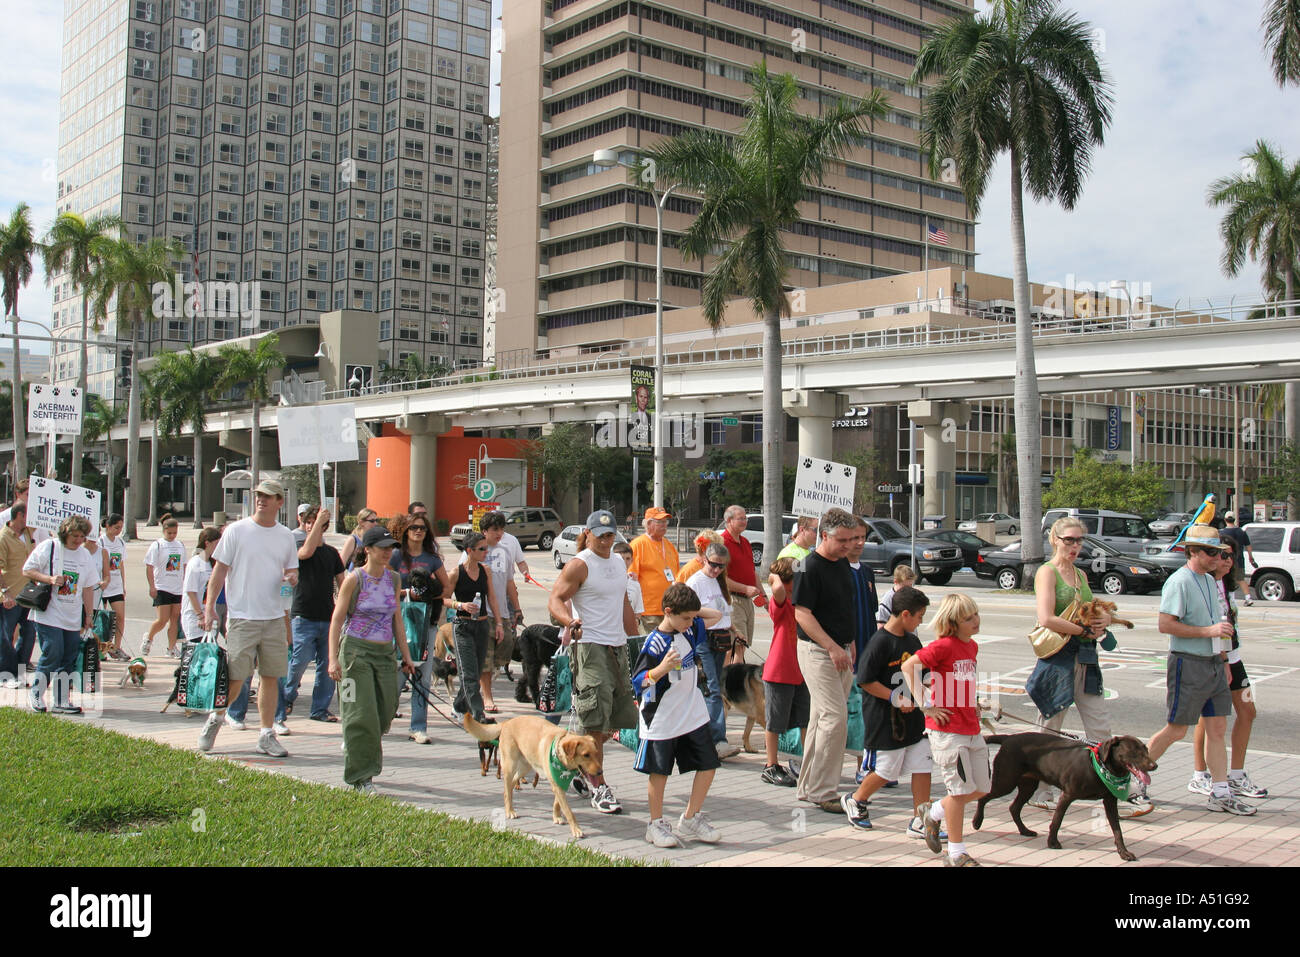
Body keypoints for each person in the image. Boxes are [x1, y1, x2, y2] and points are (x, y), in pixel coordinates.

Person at [1135, 525, 1255, 815]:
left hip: (1214, 664)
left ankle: (1221, 792)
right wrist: (1208, 632)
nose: (1218, 558)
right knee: (1176, 729)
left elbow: (1220, 624)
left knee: (1217, 729)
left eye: (1222, 552)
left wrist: (1224, 661)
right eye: (1212, 552)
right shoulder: (1180, 581)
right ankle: (1132, 782)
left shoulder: (1208, 580)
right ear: (1193, 552)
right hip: (1188, 663)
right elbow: (1166, 625)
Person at [197, 479, 300, 758]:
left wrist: (291, 578)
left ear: (280, 501)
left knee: (271, 677)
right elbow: (218, 573)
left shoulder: (285, 536)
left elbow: (293, 571)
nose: (261, 500)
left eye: (268, 496)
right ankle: (216, 718)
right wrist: (209, 611)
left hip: (274, 617)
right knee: (236, 677)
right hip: (243, 616)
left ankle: (266, 734)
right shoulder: (237, 531)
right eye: (259, 496)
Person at [548, 510, 640, 815]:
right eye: (600, 535)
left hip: (617, 648)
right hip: (589, 648)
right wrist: (569, 621)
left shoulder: (617, 561)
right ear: (587, 534)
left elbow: (624, 603)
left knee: (608, 724)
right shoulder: (580, 564)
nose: (605, 540)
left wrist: (638, 643)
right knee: (594, 720)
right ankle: (599, 786)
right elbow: (555, 599)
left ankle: (580, 770)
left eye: (610, 534)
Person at [1024, 516, 1115, 812]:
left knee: (1099, 725)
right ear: (1055, 539)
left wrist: (1104, 621)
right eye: (1070, 540)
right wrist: (1083, 630)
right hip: (1059, 658)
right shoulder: (1046, 572)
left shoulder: (1080, 575)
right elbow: (1046, 618)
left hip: (1086, 656)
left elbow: (1092, 609)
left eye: (1079, 541)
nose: (1076, 546)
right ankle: (1040, 788)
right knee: (1050, 725)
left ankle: (1112, 785)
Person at [842, 586, 940, 838]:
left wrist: (933, 690)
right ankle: (856, 799)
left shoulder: (912, 640)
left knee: (922, 766)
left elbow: (924, 673)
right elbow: (864, 680)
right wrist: (895, 697)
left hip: (914, 719)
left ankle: (920, 819)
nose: (921, 621)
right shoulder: (880, 642)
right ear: (905, 614)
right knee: (887, 771)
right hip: (885, 719)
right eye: (919, 616)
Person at [633, 582, 724, 847]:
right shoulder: (654, 643)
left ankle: (691, 817)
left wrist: (692, 612)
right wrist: (661, 668)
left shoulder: (691, 628)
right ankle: (655, 824)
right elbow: (639, 682)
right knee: (659, 772)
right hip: (661, 715)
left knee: (708, 764)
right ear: (668, 611)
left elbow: (715, 616)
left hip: (691, 711)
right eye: (685, 617)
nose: (691, 622)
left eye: (692, 618)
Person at [327, 524, 416, 793]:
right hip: (355, 654)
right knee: (360, 715)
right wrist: (333, 659)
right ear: (367, 550)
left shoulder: (394, 579)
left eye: (391, 548)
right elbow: (337, 619)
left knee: (384, 712)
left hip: (384, 654)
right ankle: (361, 776)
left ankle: (358, 745)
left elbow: (397, 619)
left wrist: (406, 655)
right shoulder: (355, 579)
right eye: (382, 548)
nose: (388, 552)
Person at [903, 592, 990, 867]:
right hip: (948, 730)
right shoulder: (943, 646)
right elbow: (908, 667)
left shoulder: (972, 646)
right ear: (953, 623)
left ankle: (932, 812)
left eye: (975, 614)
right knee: (959, 792)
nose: (975, 621)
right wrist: (925, 706)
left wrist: (973, 703)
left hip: (971, 725)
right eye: (968, 618)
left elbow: (962, 681)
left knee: (982, 788)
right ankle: (956, 853)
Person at [793, 507, 860, 812]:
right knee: (835, 718)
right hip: (817, 651)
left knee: (822, 719)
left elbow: (844, 607)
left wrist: (850, 643)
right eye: (843, 540)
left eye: (852, 539)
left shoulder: (843, 565)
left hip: (842, 649)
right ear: (824, 535)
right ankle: (824, 790)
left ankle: (809, 785)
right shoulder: (806, 566)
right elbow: (801, 614)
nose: (849, 545)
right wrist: (832, 647)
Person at [1188, 541, 1268, 800]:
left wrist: (1229, 659)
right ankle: (1200, 775)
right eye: (1221, 555)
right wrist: (1222, 661)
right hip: (1213, 659)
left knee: (1247, 711)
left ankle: (1236, 775)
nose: (1226, 560)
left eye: (1231, 556)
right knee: (1208, 717)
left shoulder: (1225, 585)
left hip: (1233, 658)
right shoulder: (1205, 585)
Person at [278, 505, 348, 728]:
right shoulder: (299, 546)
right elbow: (305, 553)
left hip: (327, 616)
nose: (311, 527)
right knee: (298, 661)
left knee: (327, 665)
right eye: (307, 523)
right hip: (303, 616)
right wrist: (317, 522)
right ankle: (286, 699)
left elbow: (342, 582)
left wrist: (347, 606)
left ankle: (319, 708)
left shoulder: (332, 554)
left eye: (315, 523)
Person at [22, 515, 98, 714]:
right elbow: (27, 570)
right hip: (49, 613)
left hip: (72, 616)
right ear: (65, 533)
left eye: (82, 536)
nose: (78, 540)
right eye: (75, 535)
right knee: (53, 652)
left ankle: (62, 699)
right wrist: (49, 578)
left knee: (68, 657)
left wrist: (89, 616)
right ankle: (37, 694)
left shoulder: (84, 555)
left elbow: (88, 587)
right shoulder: (50, 546)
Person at [389, 510, 449, 742]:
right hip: (399, 623)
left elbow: (446, 588)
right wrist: (407, 593)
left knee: (422, 677)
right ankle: (384, 718)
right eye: (413, 527)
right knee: (396, 675)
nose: (418, 531)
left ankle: (418, 727)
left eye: (422, 528)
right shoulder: (395, 556)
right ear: (405, 531)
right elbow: (384, 584)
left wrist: (428, 593)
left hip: (425, 623)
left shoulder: (432, 559)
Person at [442, 530, 503, 725]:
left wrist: (499, 623)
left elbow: (491, 597)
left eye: (487, 548)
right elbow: (444, 599)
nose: (486, 551)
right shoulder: (456, 573)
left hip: (482, 624)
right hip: (463, 626)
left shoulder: (485, 571)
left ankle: (459, 706)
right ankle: (478, 714)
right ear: (469, 550)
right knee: (468, 672)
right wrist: (460, 605)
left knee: (476, 672)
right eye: (482, 549)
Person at [685, 542, 738, 759]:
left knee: (711, 688)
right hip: (703, 640)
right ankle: (717, 739)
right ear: (704, 560)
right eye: (713, 565)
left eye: (721, 566)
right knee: (712, 688)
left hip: (720, 639)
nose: (716, 570)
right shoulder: (695, 581)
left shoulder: (719, 581)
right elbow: (686, 611)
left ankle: (707, 736)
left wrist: (735, 630)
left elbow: (724, 610)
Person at [759, 556, 806, 786]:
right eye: (796, 578)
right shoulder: (780, 602)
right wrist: (775, 574)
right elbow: (776, 586)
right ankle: (771, 764)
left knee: (805, 719)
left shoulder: (801, 600)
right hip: (780, 668)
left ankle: (807, 761)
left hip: (803, 668)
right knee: (775, 721)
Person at [476, 510, 525, 691]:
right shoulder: (473, 549)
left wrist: (517, 609)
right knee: (486, 654)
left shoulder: (504, 551)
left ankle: (486, 676)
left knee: (506, 647)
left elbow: (509, 582)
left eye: (501, 529)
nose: (499, 534)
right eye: (495, 529)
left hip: (502, 612)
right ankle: (486, 695)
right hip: (481, 613)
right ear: (484, 531)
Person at [719, 505, 766, 665]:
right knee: (736, 646)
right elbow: (721, 577)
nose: (745, 521)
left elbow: (752, 572)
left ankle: (731, 682)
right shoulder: (723, 542)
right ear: (729, 520)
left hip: (747, 602)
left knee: (742, 646)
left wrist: (763, 594)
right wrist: (745, 588)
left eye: (745, 518)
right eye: (741, 518)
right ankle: (731, 686)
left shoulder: (745, 542)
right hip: (733, 600)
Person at [0, 504, 36, 687]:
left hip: (29, 595)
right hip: (11, 596)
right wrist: (4, 593)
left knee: (30, 634)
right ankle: (5, 674)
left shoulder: (29, 533)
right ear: (20, 515)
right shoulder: (3, 537)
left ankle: (19, 672)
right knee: (5, 636)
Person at [141, 515, 187, 657]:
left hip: (177, 588)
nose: (172, 536)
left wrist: (185, 585)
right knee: (162, 620)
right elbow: (149, 567)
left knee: (174, 619)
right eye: (169, 533)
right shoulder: (158, 545)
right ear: (164, 531)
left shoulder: (180, 545)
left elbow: (184, 566)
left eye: (174, 533)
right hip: (162, 587)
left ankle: (171, 648)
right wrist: (152, 586)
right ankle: (148, 638)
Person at [629, 506, 680, 635]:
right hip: (648, 612)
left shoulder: (669, 546)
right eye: (660, 522)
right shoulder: (637, 545)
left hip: (670, 610)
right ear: (649, 523)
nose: (664, 525)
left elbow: (677, 576)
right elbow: (631, 580)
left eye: (665, 522)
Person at [181, 527, 221, 647]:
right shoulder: (195, 563)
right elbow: (191, 592)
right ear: (207, 543)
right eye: (216, 544)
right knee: (196, 654)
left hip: (208, 616)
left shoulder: (211, 563)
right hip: (195, 617)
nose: (218, 547)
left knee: (208, 654)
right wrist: (200, 615)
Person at [98, 514, 129, 661]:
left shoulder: (121, 543)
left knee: (120, 617)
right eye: (116, 527)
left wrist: (123, 585)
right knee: (101, 619)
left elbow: (121, 565)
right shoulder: (100, 542)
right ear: (108, 526)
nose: (118, 531)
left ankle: (116, 647)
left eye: (121, 528)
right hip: (102, 585)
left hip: (116, 586)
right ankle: (100, 648)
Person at [1219, 513, 1255, 606]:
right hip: (1239, 559)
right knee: (1241, 579)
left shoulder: (1222, 533)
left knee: (1226, 579)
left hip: (1226, 559)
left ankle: (1231, 599)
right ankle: (1248, 598)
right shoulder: (1241, 532)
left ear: (1225, 519)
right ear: (1234, 519)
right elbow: (1248, 546)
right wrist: (1251, 557)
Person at [614, 541, 644, 617]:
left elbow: (638, 610)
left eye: (628, 559)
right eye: (621, 558)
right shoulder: (606, 580)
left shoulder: (634, 583)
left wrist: (637, 621)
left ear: (632, 560)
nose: (624, 562)